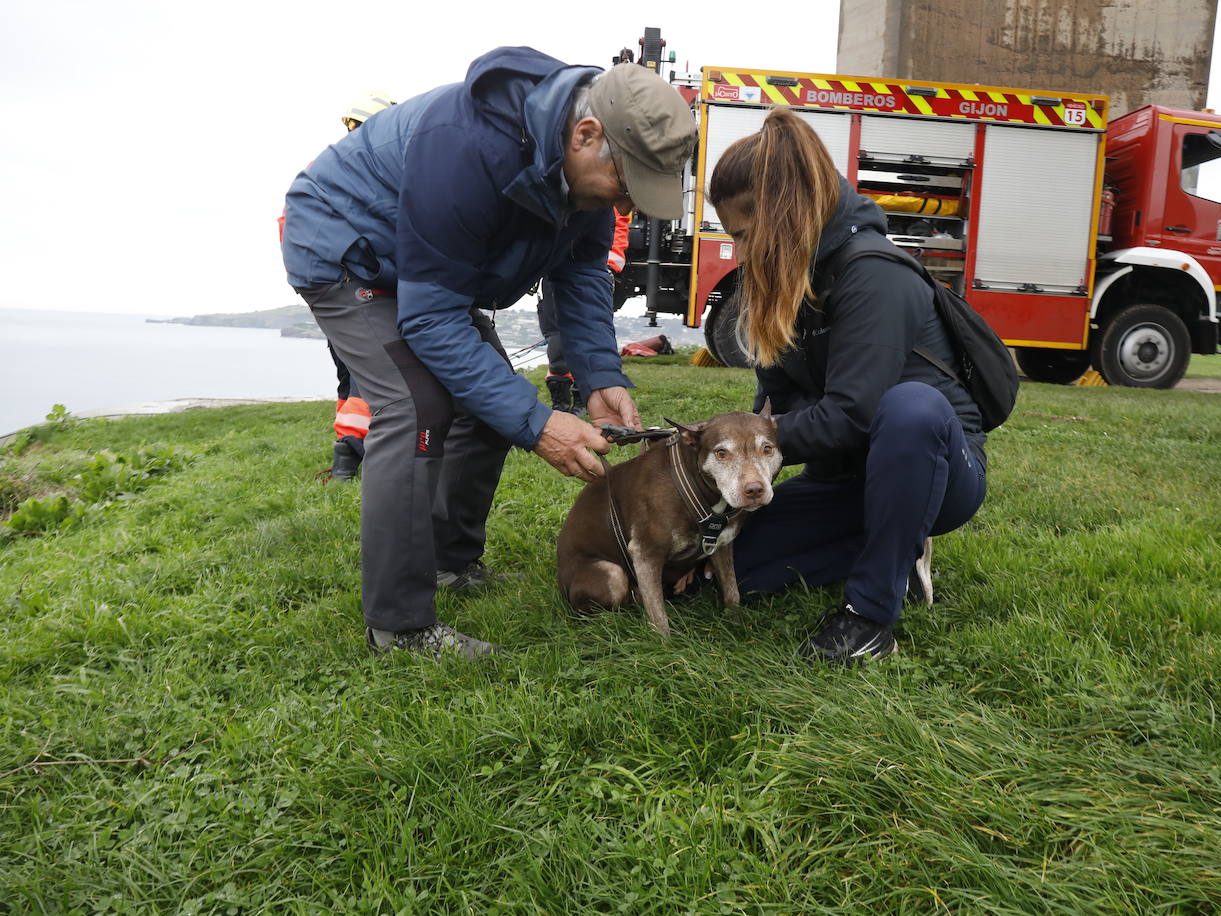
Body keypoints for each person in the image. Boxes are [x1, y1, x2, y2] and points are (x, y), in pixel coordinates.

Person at [281, 50, 695, 657]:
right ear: (585, 135)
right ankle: (399, 626)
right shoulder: (465, 148)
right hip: (349, 250)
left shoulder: (586, 186)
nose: (626, 206)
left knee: (487, 406)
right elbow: (429, 316)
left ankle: (451, 562)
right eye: (626, 185)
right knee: (417, 404)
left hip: (428, 271)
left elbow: (580, 274)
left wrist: (600, 375)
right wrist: (537, 423)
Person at [708, 108, 988, 665]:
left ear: (778, 215)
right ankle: (892, 547)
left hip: (936, 470)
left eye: (743, 235)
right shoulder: (782, 284)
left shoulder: (876, 273)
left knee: (912, 409)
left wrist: (752, 440)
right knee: (719, 567)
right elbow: (775, 411)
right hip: (843, 483)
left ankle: (870, 615)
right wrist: (722, 509)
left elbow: (853, 415)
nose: (738, 254)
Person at [327, 91, 396, 480]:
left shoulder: (329, 167)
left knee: (347, 372)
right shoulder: (373, 173)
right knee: (365, 374)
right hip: (364, 288)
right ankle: (352, 454)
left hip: (332, 292)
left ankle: (344, 455)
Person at [537, 208, 630, 414]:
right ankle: (560, 399)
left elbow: (619, 228)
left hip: (594, 271)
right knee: (556, 339)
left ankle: (583, 397)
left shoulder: (609, 205)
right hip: (556, 271)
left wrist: (607, 266)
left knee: (586, 335)